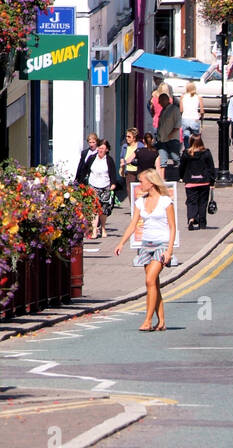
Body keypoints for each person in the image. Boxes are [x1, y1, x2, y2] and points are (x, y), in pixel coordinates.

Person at [114, 169, 176, 332]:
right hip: (145, 245)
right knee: (153, 283)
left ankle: (147, 321)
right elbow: (133, 225)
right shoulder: (140, 202)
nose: (140, 184)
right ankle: (161, 321)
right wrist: (121, 243)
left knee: (149, 281)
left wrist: (169, 250)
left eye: (142, 181)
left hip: (161, 245)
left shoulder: (165, 201)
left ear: (151, 182)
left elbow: (172, 227)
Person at [79, 139, 121, 240]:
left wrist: (113, 184)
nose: (100, 150)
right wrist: (81, 182)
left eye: (103, 148)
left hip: (105, 186)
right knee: (94, 209)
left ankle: (103, 228)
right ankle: (94, 230)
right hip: (93, 186)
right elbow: (84, 170)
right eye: (99, 148)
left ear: (107, 150)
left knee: (103, 210)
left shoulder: (109, 160)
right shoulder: (92, 158)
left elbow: (112, 173)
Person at [179, 134, 216, 231]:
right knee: (203, 202)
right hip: (204, 182)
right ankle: (202, 223)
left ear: (190, 142)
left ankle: (191, 219)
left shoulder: (186, 154)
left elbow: (181, 167)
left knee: (191, 202)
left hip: (190, 182)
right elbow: (211, 168)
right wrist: (212, 181)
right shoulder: (206, 153)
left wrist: (182, 177)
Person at [155, 92, 182, 167]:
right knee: (162, 161)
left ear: (166, 100)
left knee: (176, 158)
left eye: (161, 100)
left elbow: (178, 124)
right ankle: (162, 177)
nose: (159, 103)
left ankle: (180, 175)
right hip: (162, 140)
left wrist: (170, 134)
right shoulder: (163, 110)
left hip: (172, 139)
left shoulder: (174, 109)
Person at [180, 82, 203, 149]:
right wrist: (201, 117)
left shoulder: (183, 97)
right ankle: (195, 149)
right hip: (194, 118)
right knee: (196, 137)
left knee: (186, 137)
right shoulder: (198, 97)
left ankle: (187, 150)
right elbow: (202, 111)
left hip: (185, 118)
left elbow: (181, 110)